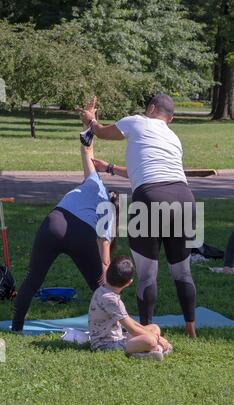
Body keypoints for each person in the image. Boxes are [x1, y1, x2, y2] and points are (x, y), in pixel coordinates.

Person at [78, 94, 197, 338]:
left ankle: (145, 329)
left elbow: (101, 132)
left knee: (146, 274)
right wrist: (109, 168)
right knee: (182, 272)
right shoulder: (173, 137)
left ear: (151, 108)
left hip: (150, 199)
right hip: (185, 198)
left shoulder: (136, 121)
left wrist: (90, 121)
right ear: (170, 118)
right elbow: (144, 171)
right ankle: (190, 328)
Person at [11, 99, 118, 332]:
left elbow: (86, 149)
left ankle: (16, 327)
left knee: (32, 279)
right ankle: (117, 325)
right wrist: (105, 277)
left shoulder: (94, 182)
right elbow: (106, 257)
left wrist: (89, 121)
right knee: (100, 287)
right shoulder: (109, 213)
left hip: (55, 222)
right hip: (81, 235)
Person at [89, 255, 172, 360]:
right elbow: (132, 329)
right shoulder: (112, 300)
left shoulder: (102, 290)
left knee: (154, 328)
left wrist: (152, 334)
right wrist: (158, 338)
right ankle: (143, 352)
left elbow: (128, 320)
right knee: (150, 340)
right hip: (104, 345)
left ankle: (148, 350)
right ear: (129, 283)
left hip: (118, 337)